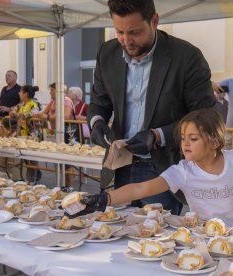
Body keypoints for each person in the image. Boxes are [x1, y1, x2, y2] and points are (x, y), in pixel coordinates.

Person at [87, 0, 216, 215]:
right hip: (119, 165)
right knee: (117, 236)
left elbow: (206, 116)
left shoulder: (187, 57)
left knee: (156, 242)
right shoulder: (107, 53)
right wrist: (97, 122)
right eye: (119, 32)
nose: (126, 41)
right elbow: (99, 102)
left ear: (154, 20)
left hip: (163, 169)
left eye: (134, 32)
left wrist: (158, 135)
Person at [72, 109, 233, 229]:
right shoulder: (183, 171)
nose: (185, 143)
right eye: (182, 138)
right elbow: (140, 188)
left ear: (214, 142)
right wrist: (104, 199)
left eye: (193, 139)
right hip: (203, 235)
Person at [9, 85, 42, 183]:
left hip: (32, 135)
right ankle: (34, 175)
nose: (19, 93)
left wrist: (21, 115)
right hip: (23, 135)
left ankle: (32, 180)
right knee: (26, 158)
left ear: (26, 94)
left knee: (32, 158)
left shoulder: (34, 104)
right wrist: (13, 112)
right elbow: (15, 111)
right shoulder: (22, 104)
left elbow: (35, 114)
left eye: (21, 92)